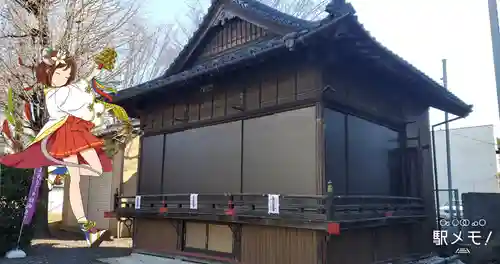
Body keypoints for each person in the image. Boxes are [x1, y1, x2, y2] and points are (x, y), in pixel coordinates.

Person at [0, 48, 112, 247]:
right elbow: (76, 98)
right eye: (59, 73)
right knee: (77, 180)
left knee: (97, 169)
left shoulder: (68, 88)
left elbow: (83, 85)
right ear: (48, 74)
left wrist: (98, 68)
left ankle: (70, 174)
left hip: (77, 130)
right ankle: (88, 228)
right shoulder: (53, 95)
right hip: (66, 133)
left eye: (67, 73)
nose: (64, 76)